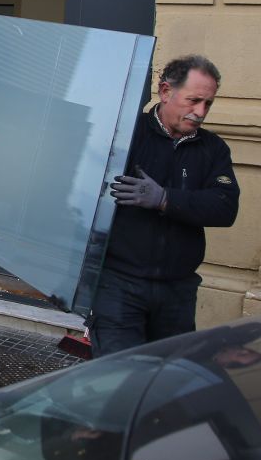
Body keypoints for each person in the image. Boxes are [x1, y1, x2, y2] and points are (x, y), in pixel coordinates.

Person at [91, 54, 239, 357]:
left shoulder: (212, 148)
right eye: (194, 100)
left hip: (177, 290)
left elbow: (225, 208)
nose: (200, 112)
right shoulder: (126, 134)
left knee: (170, 381)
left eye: (208, 104)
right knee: (122, 380)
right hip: (120, 286)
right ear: (166, 91)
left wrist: (165, 199)